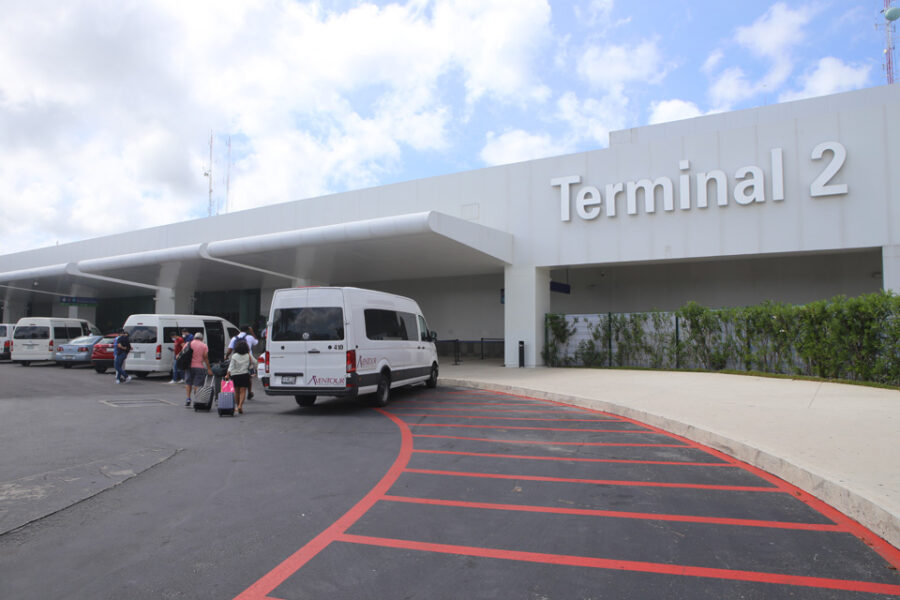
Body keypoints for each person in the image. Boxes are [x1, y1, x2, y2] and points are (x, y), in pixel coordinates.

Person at [226, 325, 260, 399]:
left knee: (236, 375)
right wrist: (252, 332)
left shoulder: (234, 338)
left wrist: (226, 356)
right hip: (248, 359)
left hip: (236, 358)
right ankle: (249, 392)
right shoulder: (250, 337)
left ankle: (236, 393)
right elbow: (256, 342)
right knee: (248, 377)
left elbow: (229, 350)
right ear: (248, 330)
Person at [225, 339, 257, 414]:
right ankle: (240, 406)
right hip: (244, 375)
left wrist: (227, 374)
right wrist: (255, 370)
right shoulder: (248, 355)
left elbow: (231, 367)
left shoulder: (234, 356)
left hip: (235, 375)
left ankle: (237, 406)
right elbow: (255, 362)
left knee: (236, 391)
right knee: (243, 391)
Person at [184, 331, 213, 407]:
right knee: (198, 384)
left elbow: (183, 353)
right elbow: (205, 357)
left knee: (188, 383)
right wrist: (209, 368)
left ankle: (188, 398)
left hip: (188, 366)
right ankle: (196, 400)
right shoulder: (204, 345)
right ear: (202, 338)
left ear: (194, 337)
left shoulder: (188, 343)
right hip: (199, 367)